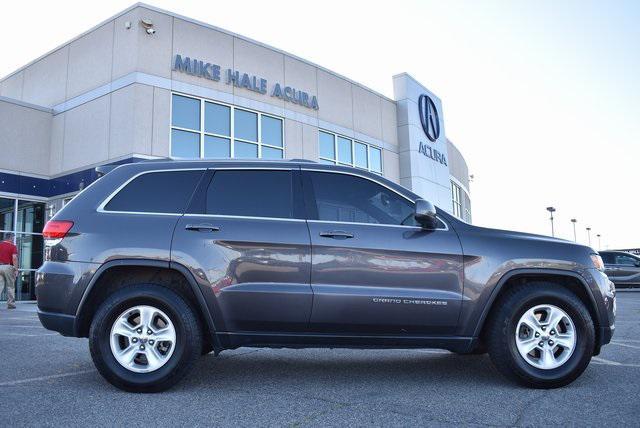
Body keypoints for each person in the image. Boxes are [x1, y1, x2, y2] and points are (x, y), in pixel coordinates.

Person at [0, 232, 18, 309]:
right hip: (8, 267)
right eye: (13, 238)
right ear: (10, 238)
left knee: (0, 285)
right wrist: (16, 269)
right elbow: (14, 258)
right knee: (10, 286)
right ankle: (11, 304)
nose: (13, 239)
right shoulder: (13, 246)